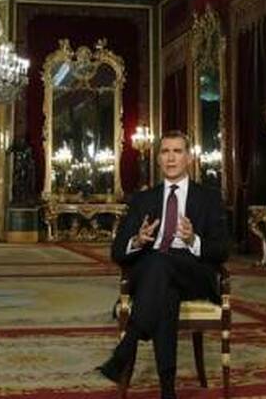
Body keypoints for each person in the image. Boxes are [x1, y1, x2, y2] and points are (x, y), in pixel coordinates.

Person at [97, 130, 229, 398]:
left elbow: (222, 250)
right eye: (165, 152)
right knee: (164, 289)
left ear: (189, 158)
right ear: (158, 158)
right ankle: (168, 391)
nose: (171, 158)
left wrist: (193, 240)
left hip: (192, 274)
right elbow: (117, 252)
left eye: (177, 151)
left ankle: (127, 345)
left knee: (159, 266)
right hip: (153, 276)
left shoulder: (209, 198)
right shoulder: (143, 200)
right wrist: (138, 240)